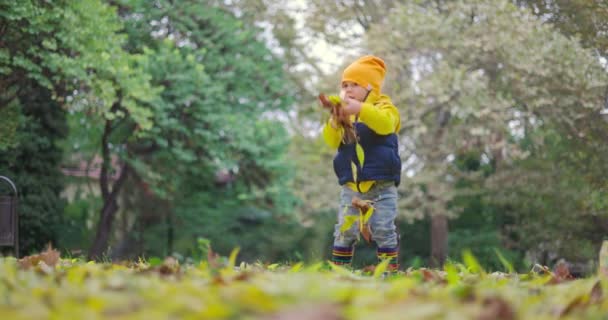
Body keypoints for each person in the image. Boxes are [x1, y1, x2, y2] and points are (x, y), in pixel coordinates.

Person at [321, 55, 401, 270]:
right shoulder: (346, 115)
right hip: (352, 187)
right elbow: (330, 141)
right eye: (344, 85)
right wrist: (335, 122)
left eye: (354, 84)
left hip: (382, 186)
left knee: (383, 228)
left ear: (370, 87)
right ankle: (340, 270)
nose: (348, 89)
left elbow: (385, 125)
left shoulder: (385, 108)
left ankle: (388, 271)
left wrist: (360, 110)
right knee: (345, 229)